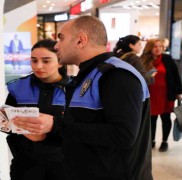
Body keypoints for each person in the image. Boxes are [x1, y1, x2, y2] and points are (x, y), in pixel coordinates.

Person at [11, 15, 153, 180]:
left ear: (80, 40)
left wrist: (55, 125)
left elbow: (123, 135)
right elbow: (83, 127)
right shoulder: (88, 75)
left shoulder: (116, 75)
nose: (56, 46)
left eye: (61, 39)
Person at [5, 39, 71, 180]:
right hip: (25, 167)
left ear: (60, 62)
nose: (38, 66)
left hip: (65, 167)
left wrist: (53, 127)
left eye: (46, 61)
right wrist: (23, 130)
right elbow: (3, 121)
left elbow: (82, 128)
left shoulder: (75, 90)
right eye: (34, 61)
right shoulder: (18, 88)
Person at [141, 38, 182, 152]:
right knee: (151, 119)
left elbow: (175, 76)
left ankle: (164, 142)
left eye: (160, 46)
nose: (158, 48)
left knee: (166, 118)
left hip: (166, 95)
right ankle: (151, 140)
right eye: (155, 46)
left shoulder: (168, 60)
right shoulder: (143, 60)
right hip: (151, 95)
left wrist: (179, 91)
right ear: (150, 48)